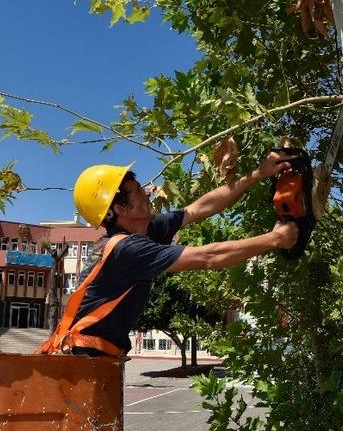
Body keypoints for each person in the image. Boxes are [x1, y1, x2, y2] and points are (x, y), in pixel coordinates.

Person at [36, 152, 299, 357]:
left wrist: (259, 173)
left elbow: (199, 209)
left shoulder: (147, 230)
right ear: (120, 209)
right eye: (138, 191)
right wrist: (275, 239)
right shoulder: (127, 249)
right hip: (83, 359)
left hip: (98, 357)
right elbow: (208, 257)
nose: (148, 191)